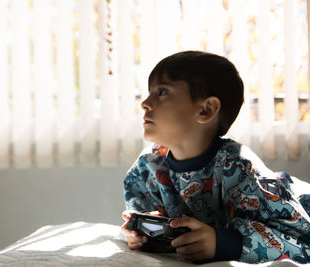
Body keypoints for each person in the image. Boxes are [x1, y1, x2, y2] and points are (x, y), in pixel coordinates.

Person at [121, 50, 310, 263]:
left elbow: (299, 241)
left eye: (162, 92)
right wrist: (138, 232)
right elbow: (139, 218)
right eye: (149, 92)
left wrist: (225, 243)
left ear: (206, 110)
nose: (145, 103)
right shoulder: (147, 168)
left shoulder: (240, 169)